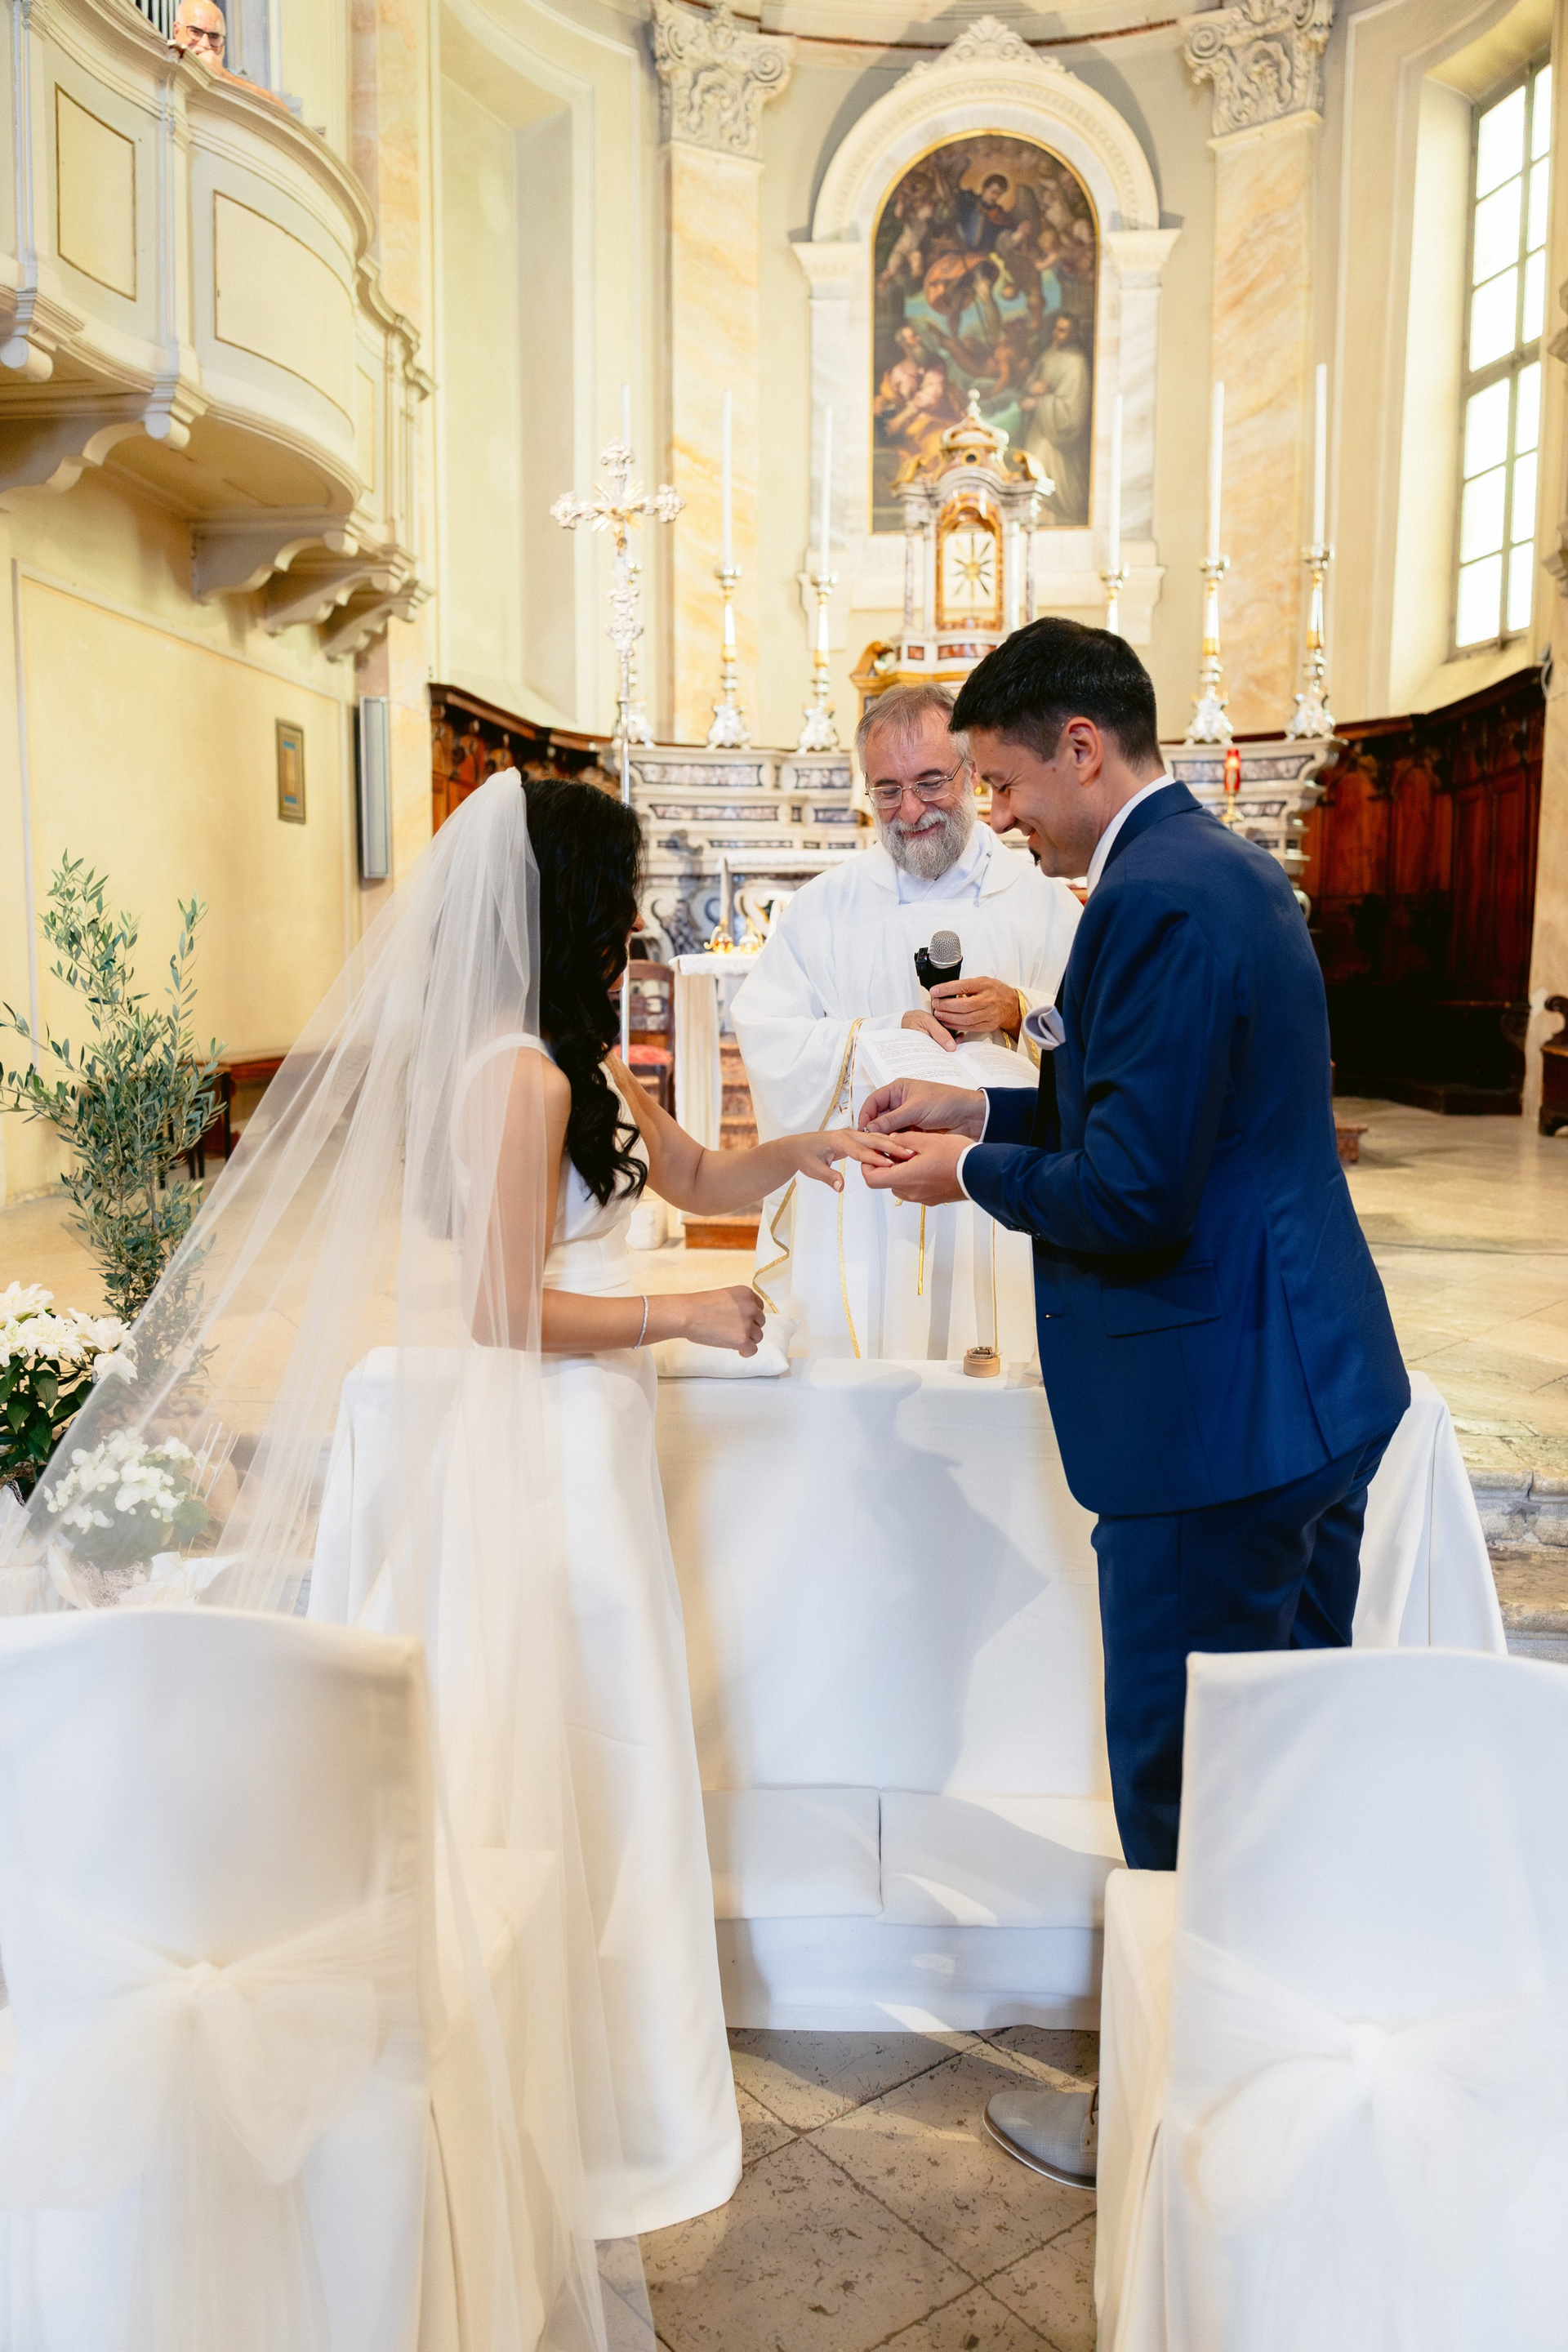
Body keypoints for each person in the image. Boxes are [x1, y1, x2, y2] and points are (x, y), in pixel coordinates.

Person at [7, 773, 893, 2336]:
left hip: (596, 1445)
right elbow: (498, 1307)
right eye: (619, 889)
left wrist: (806, 1148)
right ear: (567, 902)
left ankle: (615, 2063)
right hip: (540, 1453)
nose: (637, 917)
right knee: (566, 1742)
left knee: (610, 1745)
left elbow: (691, 1177)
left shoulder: (576, 1058)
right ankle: (556, 2083)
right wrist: (686, 1310)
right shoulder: (515, 1081)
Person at [855, 621, 1409, 2185]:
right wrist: (978, 1103)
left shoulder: (1154, 897)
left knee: (1182, 1778)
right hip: (1303, 1383)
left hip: (1208, 1418)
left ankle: (1166, 2124)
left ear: (1082, 747)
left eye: (1007, 781)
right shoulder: (1213, 871)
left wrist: (966, 1172)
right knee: (1278, 1760)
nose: (1001, 815)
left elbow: (1135, 1190)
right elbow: (1155, 1107)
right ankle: (1277, 2078)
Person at [733, 683, 1079, 1361]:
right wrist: (874, 1034)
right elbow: (768, 1034)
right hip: (864, 1197)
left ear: (972, 773)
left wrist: (1019, 1009)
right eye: (887, 790)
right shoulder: (824, 908)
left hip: (998, 1181)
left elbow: (1102, 1037)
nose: (911, 809)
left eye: (929, 782)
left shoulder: (1041, 902)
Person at [1022, 314, 1091, 524]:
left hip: (1057, 436)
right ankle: (1036, 510)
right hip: (1041, 426)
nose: (1056, 334)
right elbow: (1033, 380)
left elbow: (1072, 411)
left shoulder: (1077, 363)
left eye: (1062, 330)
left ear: (1073, 334)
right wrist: (1032, 387)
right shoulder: (1051, 353)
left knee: (1040, 455)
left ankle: (1050, 511)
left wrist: (1038, 403)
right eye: (1055, 328)